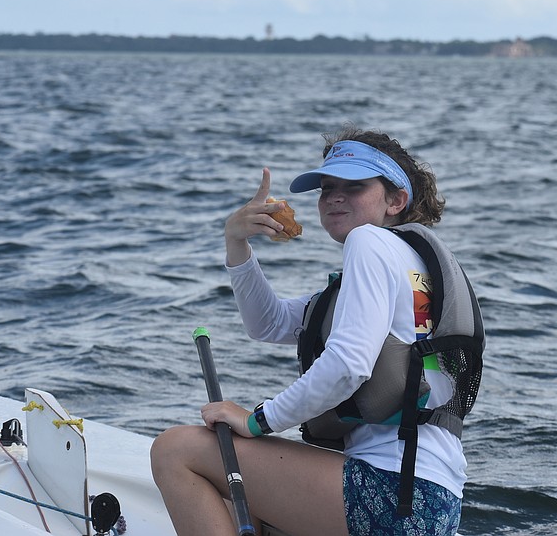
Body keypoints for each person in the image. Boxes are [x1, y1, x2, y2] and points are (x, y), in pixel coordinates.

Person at [151, 127, 474, 536]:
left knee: (175, 450)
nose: (334, 196)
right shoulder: (413, 267)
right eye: (326, 188)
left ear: (396, 200)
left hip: (390, 492)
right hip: (433, 503)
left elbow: (348, 365)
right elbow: (268, 322)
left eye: (354, 186)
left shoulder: (368, 243)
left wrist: (257, 421)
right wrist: (237, 242)